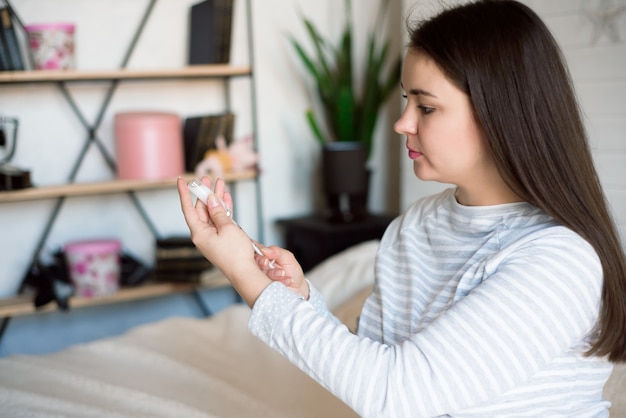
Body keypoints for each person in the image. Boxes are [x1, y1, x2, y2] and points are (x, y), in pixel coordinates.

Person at [178, 0, 626, 416]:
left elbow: (397, 393)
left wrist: (244, 273)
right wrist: (301, 299)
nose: (401, 122)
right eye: (406, 99)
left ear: (502, 115)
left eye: (426, 107)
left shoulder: (560, 261)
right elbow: (373, 363)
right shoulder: (415, 225)